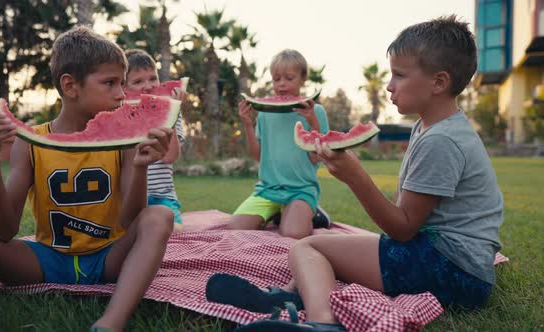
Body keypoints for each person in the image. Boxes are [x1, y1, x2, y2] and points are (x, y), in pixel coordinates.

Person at [208, 16, 504, 332]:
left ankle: (323, 323)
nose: (389, 85)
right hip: (448, 260)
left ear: (439, 82)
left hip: (452, 271)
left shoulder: (441, 140)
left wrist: (354, 176)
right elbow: (403, 212)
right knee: (333, 243)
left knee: (307, 246)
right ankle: (288, 299)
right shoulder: (430, 127)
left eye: (400, 75)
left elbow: (402, 229)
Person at [0, 26, 175, 332]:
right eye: (110, 83)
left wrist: (139, 168)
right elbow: (3, 230)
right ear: (70, 86)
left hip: (108, 258)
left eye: (122, 84)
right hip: (46, 260)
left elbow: (130, 221)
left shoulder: (125, 141)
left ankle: (110, 323)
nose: (122, 94)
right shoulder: (31, 141)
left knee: (159, 215)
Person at [226, 49, 330, 239]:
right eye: (276, 79)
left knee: (292, 234)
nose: (281, 84)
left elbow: (316, 158)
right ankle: (278, 213)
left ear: (302, 79)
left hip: (301, 189)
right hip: (268, 189)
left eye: (289, 78)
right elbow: (258, 156)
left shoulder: (317, 112)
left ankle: (313, 214)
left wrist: (313, 122)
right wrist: (248, 124)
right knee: (235, 229)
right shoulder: (265, 113)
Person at [124, 49, 187, 233]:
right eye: (138, 81)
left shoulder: (174, 112)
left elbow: (171, 157)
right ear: (124, 88)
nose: (149, 85)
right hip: (129, 198)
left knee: (173, 230)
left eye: (153, 78)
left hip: (162, 198)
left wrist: (171, 114)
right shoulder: (119, 116)